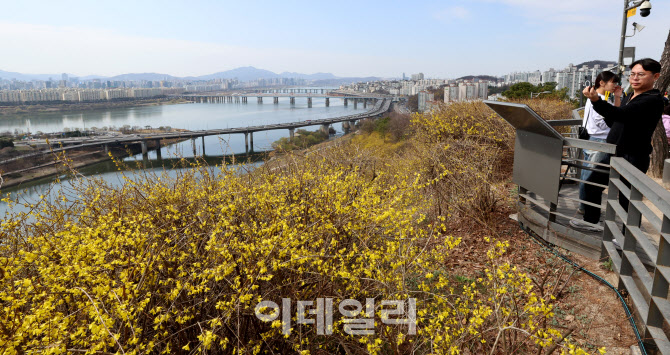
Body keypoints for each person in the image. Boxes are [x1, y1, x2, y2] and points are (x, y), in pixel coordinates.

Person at [570, 58, 665, 232]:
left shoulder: (652, 100)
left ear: (655, 76)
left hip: (633, 156)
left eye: (641, 75)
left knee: (627, 199)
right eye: (633, 74)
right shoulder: (631, 95)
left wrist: (597, 101)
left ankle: (627, 239)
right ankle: (592, 221)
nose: (635, 78)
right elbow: (616, 117)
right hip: (615, 152)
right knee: (592, 185)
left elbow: (621, 115)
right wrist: (609, 103)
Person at [577, 71, 621, 214]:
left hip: (592, 139)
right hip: (598, 141)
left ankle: (584, 207)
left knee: (587, 174)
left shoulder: (600, 97)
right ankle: (586, 209)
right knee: (591, 177)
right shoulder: (598, 98)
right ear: (602, 83)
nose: (615, 85)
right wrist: (616, 125)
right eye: (613, 82)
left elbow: (615, 113)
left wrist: (617, 98)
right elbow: (602, 123)